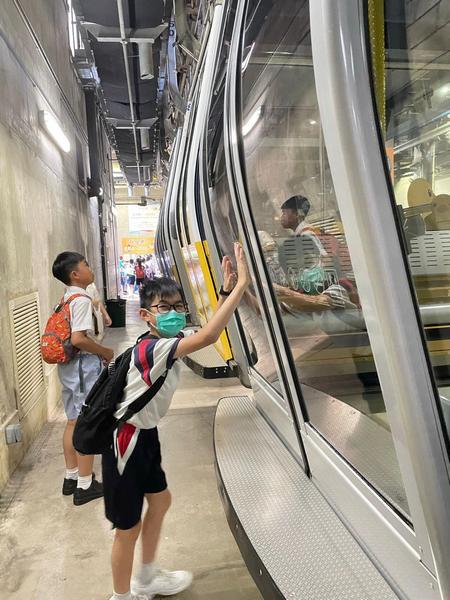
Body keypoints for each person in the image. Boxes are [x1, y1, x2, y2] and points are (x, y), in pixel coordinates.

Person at [103, 243, 250, 600]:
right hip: (125, 439)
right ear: (146, 315)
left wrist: (225, 290)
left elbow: (206, 330)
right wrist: (243, 285)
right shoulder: (153, 349)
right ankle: (122, 596)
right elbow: (209, 335)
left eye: (178, 306)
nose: (174, 313)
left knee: (160, 500)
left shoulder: (165, 340)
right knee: (127, 527)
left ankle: (147, 577)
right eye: (164, 308)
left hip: (145, 434)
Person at [52, 252, 114, 505]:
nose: (90, 268)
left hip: (69, 367)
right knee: (86, 423)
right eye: (86, 265)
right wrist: (104, 352)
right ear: (75, 274)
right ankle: (85, 484)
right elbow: (78, 339)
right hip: (82, 367)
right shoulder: (80, 301)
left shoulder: (66, 298)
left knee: (72, 422)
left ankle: (71, 477)